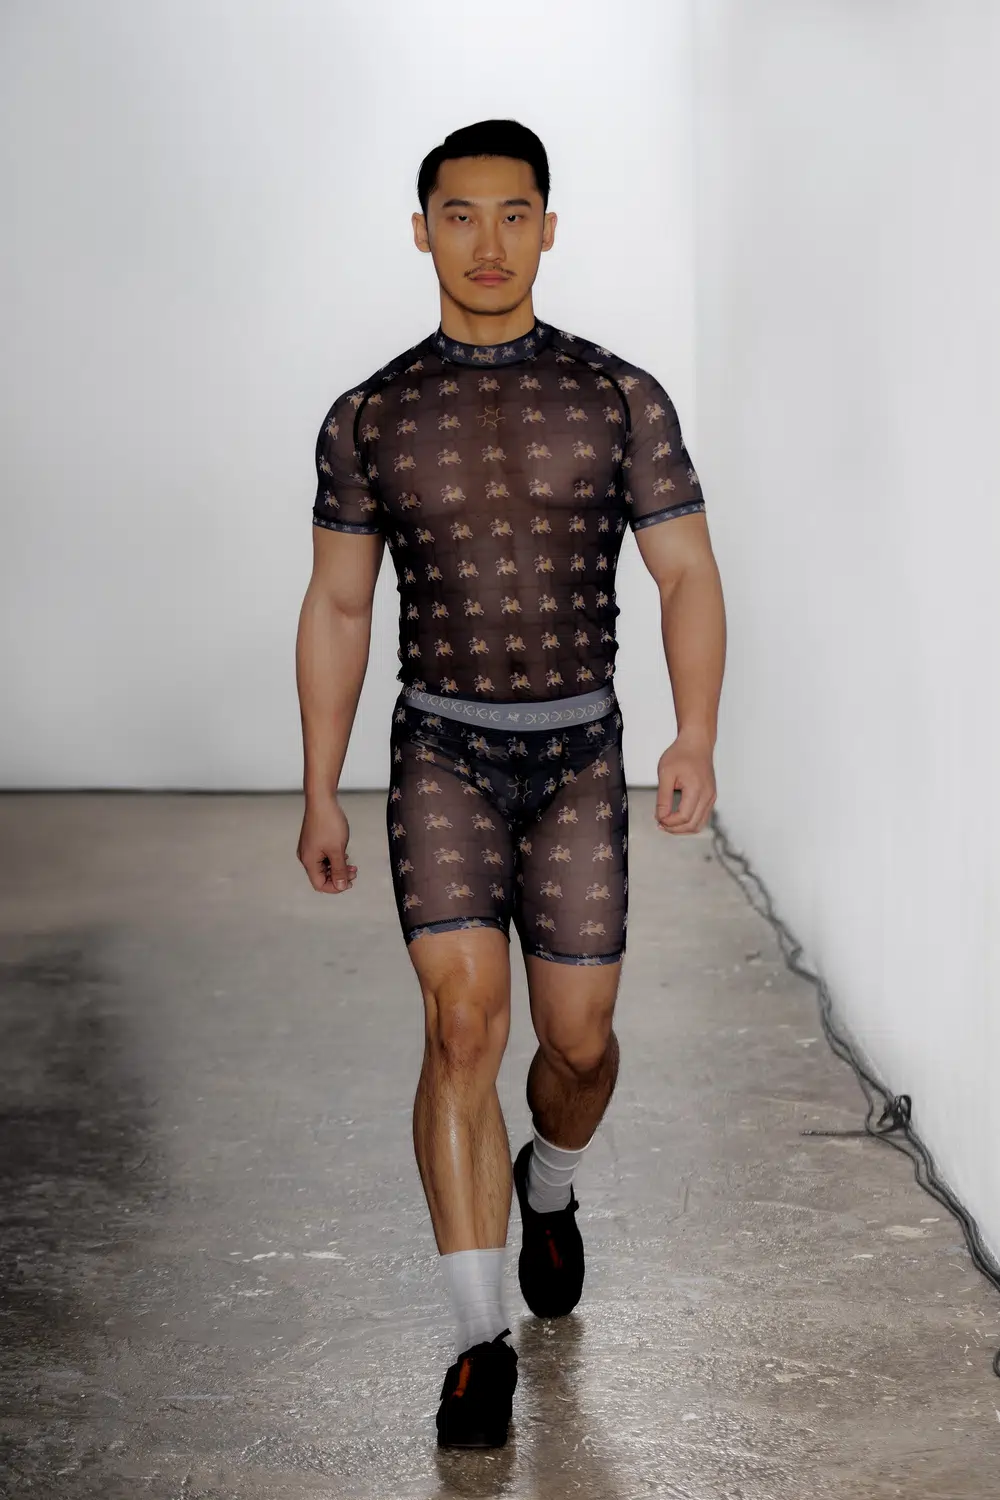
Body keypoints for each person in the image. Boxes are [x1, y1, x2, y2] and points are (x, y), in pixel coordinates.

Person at [295, 119, 726, 1450]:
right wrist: (319, 786)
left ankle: (555, 1180)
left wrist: (694, 734)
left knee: (576, 1047)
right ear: (422, 230)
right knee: (461, 1033)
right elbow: (340, 606)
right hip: (442, 755)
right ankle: (479, 1343)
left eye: (514, 213)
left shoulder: (620, 397)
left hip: (580, 756)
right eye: (460, 214)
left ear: (549, 227)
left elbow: (687, 572)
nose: (488, 241)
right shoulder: (369, 416)